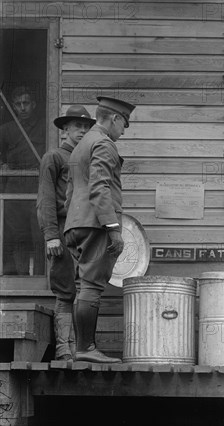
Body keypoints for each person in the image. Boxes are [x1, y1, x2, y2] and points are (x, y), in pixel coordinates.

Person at [64, 96, 135, 363]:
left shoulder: (81, 145)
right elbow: (100, 186)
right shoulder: (104, 144)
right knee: (92, 286)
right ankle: (86, 348)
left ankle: (82, 347)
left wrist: (73, 223)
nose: (124, 130)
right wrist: (113, 227)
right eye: (124, 123)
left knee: (83, 285)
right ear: (115, 119)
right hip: (96, 224)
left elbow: (70, 193)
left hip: (76, 224)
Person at [36, 105, 95, 361]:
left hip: (85, 230)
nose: (82, 131)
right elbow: (46, 199)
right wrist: (50, 234)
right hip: (61, 229)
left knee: (87, 288)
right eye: (76, 126)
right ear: (65, 129)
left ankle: (82, 347)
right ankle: (63, 347)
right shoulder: (54, 157)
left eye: (86, 127)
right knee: (64, 288)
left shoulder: (90, 159)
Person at [0, 86, 46, 275]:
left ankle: (41, 277)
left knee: (38, 234)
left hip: (37, 184)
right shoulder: (5, 130)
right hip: (14, 186)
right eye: (18, 104)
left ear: (33, 105)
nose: (22, 108)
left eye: (26, 103)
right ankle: (20, 277)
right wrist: (2, 164)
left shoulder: (44, 126)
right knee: (17, 235)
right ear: (13, 106)